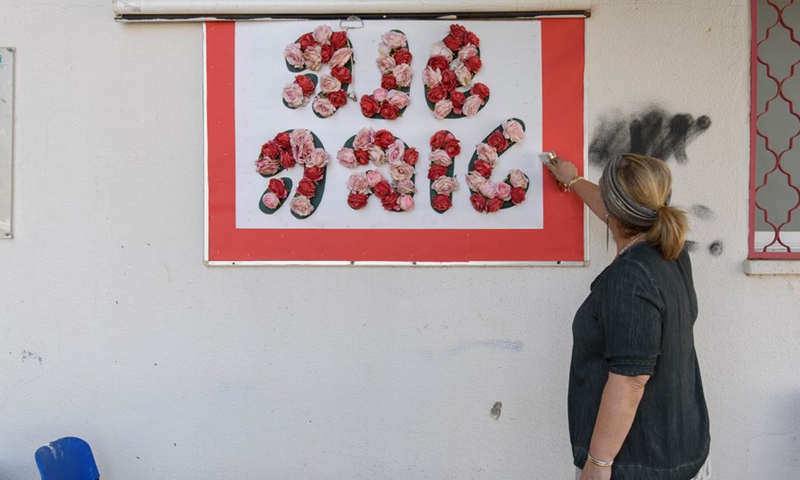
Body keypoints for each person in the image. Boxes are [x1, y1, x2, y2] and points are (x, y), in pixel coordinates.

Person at [545, 154, 711, 480]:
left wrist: (598, 464)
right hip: (679, 449)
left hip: (638, 466)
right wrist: (574, 181)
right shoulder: (670, 250)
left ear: (615, 209)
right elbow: (613, 208)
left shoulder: (631, 277)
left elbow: (630, 381)